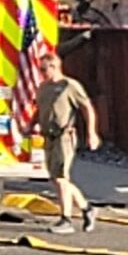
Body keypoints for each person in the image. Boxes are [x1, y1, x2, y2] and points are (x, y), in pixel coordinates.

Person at [31, 53, 100, 234]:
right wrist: (29, 126)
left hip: (64, 136)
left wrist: (92, 133)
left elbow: (87, 108)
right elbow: (39, 110)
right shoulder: (43, 88)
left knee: (61, 178)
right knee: (57, 178)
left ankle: (66, 219)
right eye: (40, 69)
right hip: (49, 137)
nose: (42, 73)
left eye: (44, 69)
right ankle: (87, 208)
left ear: (55, 67)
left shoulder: (69, 86)